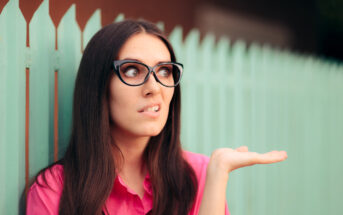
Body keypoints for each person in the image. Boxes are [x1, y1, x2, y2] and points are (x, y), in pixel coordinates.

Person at [26, 19, 287, 215]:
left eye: (164, 71)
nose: (154, 87)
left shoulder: (197, 174)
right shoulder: (55, 189)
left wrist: (217, 172)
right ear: (99, 85)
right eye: (131, 71)